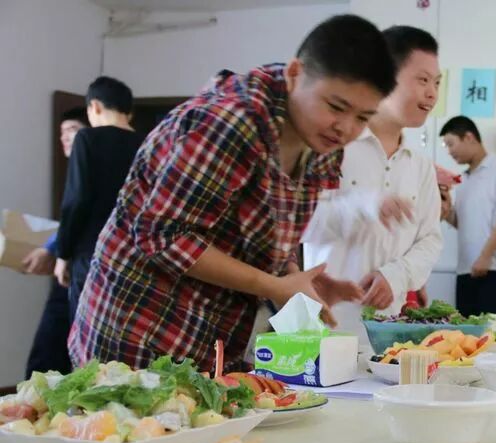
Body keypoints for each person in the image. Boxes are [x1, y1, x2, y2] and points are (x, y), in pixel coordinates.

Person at [68, 14, 397, 372]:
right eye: (336, 107)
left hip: (209, 338)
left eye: (363, 117)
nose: (345, 128)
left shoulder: (322, 141)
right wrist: (274, 286)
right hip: (138, 326)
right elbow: (161, 237)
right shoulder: (228, 123)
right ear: (294, 74)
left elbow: (262, 229)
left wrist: (297, 281)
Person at [303, 25, 443, 336]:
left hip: (386, 334)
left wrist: (397, 275)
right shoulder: (334, 146)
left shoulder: (420, 166)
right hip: (325, 328)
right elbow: (303, 224)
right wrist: (364, 206)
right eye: (422, 80)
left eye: (437, 82)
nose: (432, 93)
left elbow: (430, 240)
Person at [54, 76, 143, 321]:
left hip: (92, 254)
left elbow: (76, 200)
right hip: (134, 255)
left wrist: (63, 253)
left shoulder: (87, 139)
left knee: (86, 330)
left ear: (94, 106)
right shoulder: (147, 143)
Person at [22, 108, 88, 377]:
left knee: (55, 348)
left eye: (72, 130)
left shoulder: (92, 168)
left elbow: (80, 215)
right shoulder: (74, 169)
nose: (65, 138)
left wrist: (52, 250)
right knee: (50, 350)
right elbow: (70, 221)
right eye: (62, 133)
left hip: (82, 271)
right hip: (69, 270)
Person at [439, 116, 496, 316]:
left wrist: (485, 257)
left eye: (451, 144)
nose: (449, 151)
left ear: (469, 137)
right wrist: (445, 210)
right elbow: (462, 223)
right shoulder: (464, 179)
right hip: (465, 270)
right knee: (466, 332)